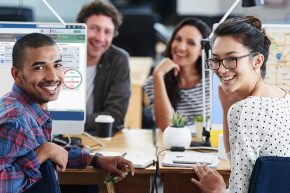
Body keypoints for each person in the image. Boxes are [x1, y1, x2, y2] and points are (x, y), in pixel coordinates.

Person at [0, 33, 134, 193]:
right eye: (39, 67)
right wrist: (43, 152)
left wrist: (96, 160)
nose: (53, 76)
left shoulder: (26, 106)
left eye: (57, 65)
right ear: (17, 75)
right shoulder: (16, 121)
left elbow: (47, 154)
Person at [191, 16, 290, 193]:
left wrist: (217, 190)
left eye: (231, 59)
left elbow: (239, 189)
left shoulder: (246, 111)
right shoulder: (283, 96)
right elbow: (237, 160)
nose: (221, 69)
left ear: (257, 61)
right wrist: (227, 106)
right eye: (216, 60)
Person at [144, 18, 211, 130]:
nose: (180, 47)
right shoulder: (154, 81)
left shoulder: (213, 80)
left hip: (205, 146)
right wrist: (158, 75)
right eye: (178, 39)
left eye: (191, 43)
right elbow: (167, 126)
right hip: (171, 145)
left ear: (201, 51)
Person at [77, 0, 130, 135]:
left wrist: (73, 121)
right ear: (80, 28)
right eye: (94, 28)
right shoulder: (60, 55)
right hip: (56, 135)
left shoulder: (118, 60)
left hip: (97, 138)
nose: (100, 38)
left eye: (107, 32)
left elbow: (115, 116)